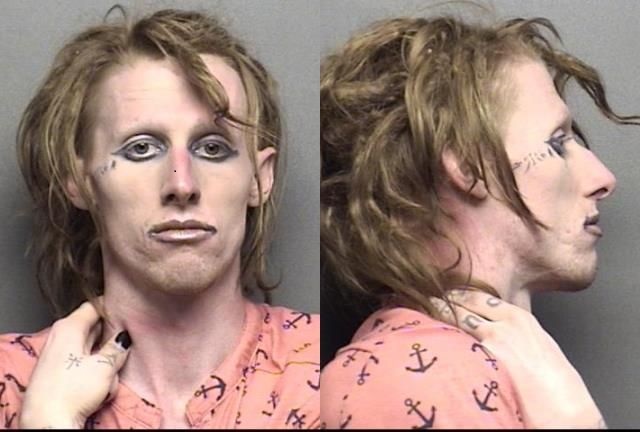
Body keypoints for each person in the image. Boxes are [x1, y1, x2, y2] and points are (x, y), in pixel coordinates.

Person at [0, 7, 319, 429]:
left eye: (212, 148)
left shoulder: (326, 372)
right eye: (141, 149)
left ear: (260, 178)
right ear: (79, 181)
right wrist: (48, 420)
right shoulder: (9, 384)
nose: (182, 184)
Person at [320, 13, 639, 429]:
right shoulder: (411, 381)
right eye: (558, 143)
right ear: (470, 167)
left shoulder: (491, 372)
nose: (603, 178)